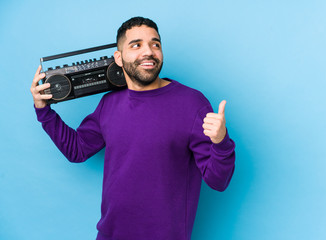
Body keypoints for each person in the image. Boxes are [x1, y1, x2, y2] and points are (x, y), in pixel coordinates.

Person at [30, 17, 235, 240]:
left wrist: (221, 141)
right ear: (119, 57)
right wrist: (44, 111)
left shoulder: (192, 103)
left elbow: (218, 180)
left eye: (155, 44)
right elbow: (77, 150)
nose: (148, 52)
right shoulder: (109, 104)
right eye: (136, 45)